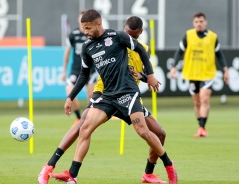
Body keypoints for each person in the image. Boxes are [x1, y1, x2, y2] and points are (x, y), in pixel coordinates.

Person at [38, 15, 176, 184]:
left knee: (155, 132)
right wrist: (70, 97)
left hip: (127, 93)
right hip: (104, 94)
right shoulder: (88, 47)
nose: (84, 32)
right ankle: (63, 172)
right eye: (83, 28)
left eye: (88, 28)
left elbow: (140, 61)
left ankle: (155, 170)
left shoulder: (121, 39)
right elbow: (84, 74)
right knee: (84, 127)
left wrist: (150, 76)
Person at [170, 12, 229, 137]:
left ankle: (202, 128)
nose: (199, 24)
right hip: (192, 74)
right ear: (193, 23)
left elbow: (219, 54)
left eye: (201, 21)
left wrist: (225, 70)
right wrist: (174, 67)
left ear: (205, 22)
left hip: (207, 73)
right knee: (197, 102)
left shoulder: (212, 37)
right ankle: (200, 125)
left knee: (204, 98)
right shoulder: (188, 35)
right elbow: (179, 52)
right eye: (196, 22)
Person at [62, 11, 98, 123]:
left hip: (91, 70)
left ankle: (89, 120)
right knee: (69, 92)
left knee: (91, 96)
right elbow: (67, 53)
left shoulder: (93, 34)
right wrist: (64, 71)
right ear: (79, 20)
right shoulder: (73, 35)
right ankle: (78, 118)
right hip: (76, 70)